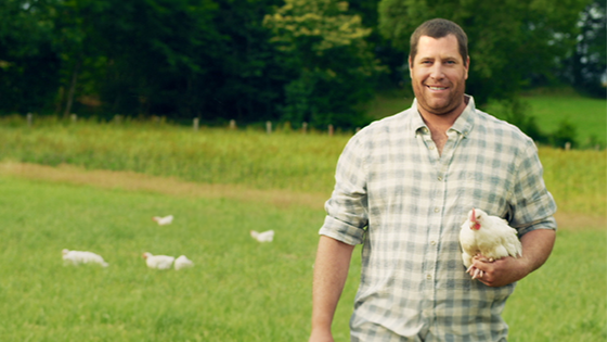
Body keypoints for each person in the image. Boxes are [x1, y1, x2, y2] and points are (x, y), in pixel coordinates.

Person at [309, 18, 557, 342]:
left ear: (466, 67)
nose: (437, 73)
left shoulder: (513, 147)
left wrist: (519, 265)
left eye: (449, 62)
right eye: (427, 61)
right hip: (380, 334)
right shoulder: (368, 143)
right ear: (411, 66)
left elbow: (540, 224)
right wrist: (320, 329)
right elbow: (338, 236)